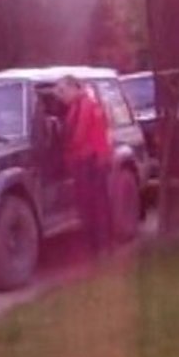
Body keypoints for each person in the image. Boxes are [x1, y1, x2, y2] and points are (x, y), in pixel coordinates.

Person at [53, 76, 113, 257]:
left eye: (63, 92)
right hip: (87, 160)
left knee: (93, 204)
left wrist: (63, 148)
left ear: (73, 88)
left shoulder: (85, 106)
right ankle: (98, 244)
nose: (61, 97)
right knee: (92, 204)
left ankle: (99, 246)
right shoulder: (77, 106)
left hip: (90, 161)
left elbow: (77, 136)